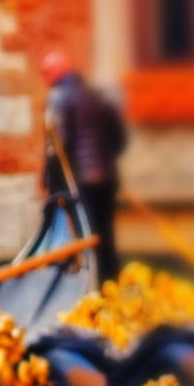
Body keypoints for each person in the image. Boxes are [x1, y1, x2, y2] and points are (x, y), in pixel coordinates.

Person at [42, 51, 127, 279]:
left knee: (87, 233)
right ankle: (112, 279)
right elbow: (118, 140)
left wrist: (49, 180)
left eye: (47, 72)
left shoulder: (59, 96)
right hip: (108, 178)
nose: (45, 77)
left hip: (83, 180)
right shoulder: (96, 94)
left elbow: (60, 144)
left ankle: (94, 282)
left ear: (58, 71)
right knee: (106, 233)